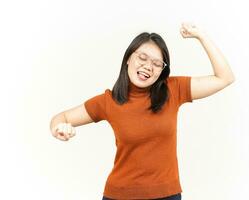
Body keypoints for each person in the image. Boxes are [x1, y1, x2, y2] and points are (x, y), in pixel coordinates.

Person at [49, 22, 235, 200]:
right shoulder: (109, 101)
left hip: (167, 195)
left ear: (162, 71)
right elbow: (61, 117)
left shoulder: (174, 89)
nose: (148, 66)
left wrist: (201, 36)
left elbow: (224, 77)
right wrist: (59, 128)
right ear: (129, 58)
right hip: (119, 195)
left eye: (156, 63)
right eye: (142, 58)